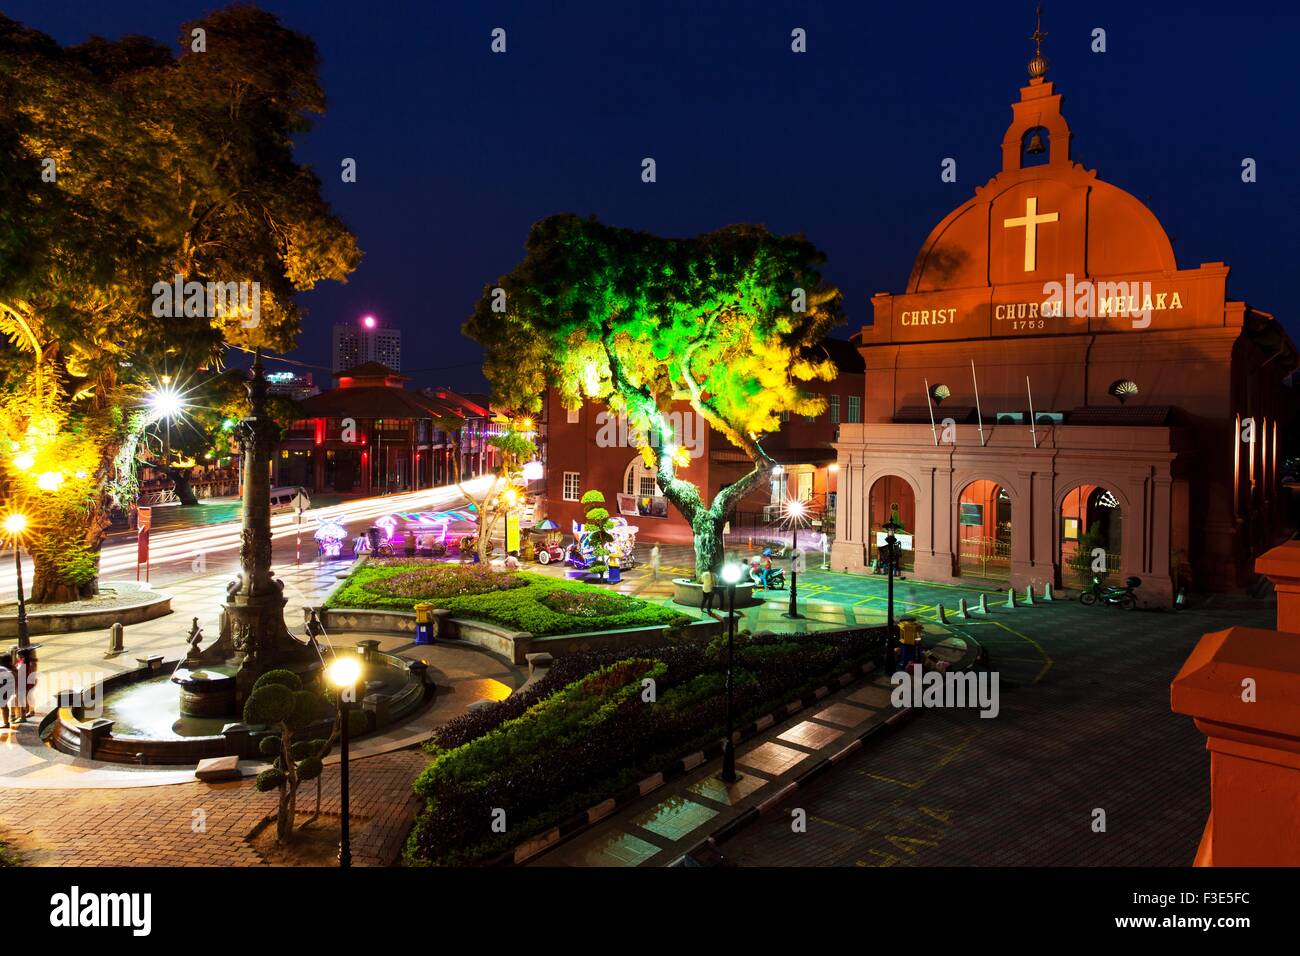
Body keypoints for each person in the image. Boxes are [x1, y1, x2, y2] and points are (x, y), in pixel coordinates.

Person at [0, 653, 14, 729]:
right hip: (8, 688)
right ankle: (6, 722)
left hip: (4, 689)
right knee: (4, 706)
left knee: (3, 706)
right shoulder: (9, 668)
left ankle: (6, 723)